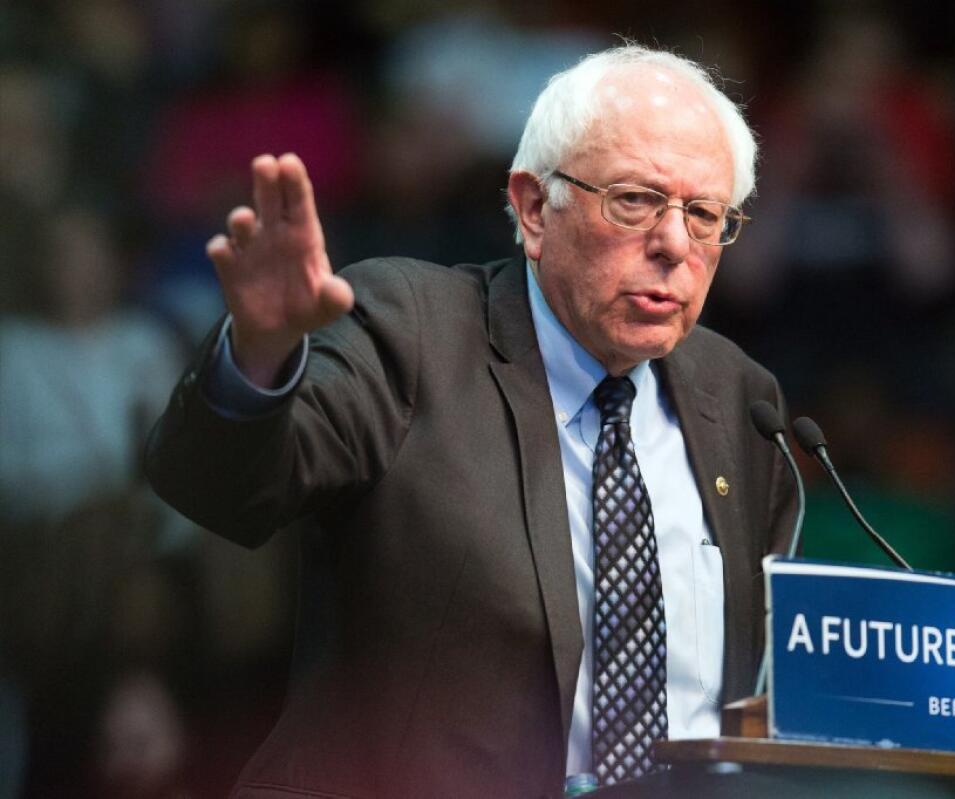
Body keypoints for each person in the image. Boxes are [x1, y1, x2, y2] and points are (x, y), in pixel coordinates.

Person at [146, 45, 795, 797]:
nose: (675, 244)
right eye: (635, 200)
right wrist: (258, 356)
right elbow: (222, 486)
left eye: (705, 214)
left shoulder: (740, 398)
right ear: (532, 208)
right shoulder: (411, 329)